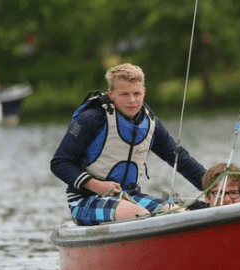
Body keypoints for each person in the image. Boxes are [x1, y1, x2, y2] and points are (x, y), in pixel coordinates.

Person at [50, 63, 206, 226]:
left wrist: (215, 185)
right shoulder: (91, 119)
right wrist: (97, 186)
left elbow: (179, 158)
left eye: (136, 93)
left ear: (144, 92)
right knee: (138, 214)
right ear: (111, 93)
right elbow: (59, 162)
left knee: (177, 213)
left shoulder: (151, 123)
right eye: (124, 94)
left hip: (130, 197)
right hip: (85, 200)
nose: (132, 100)